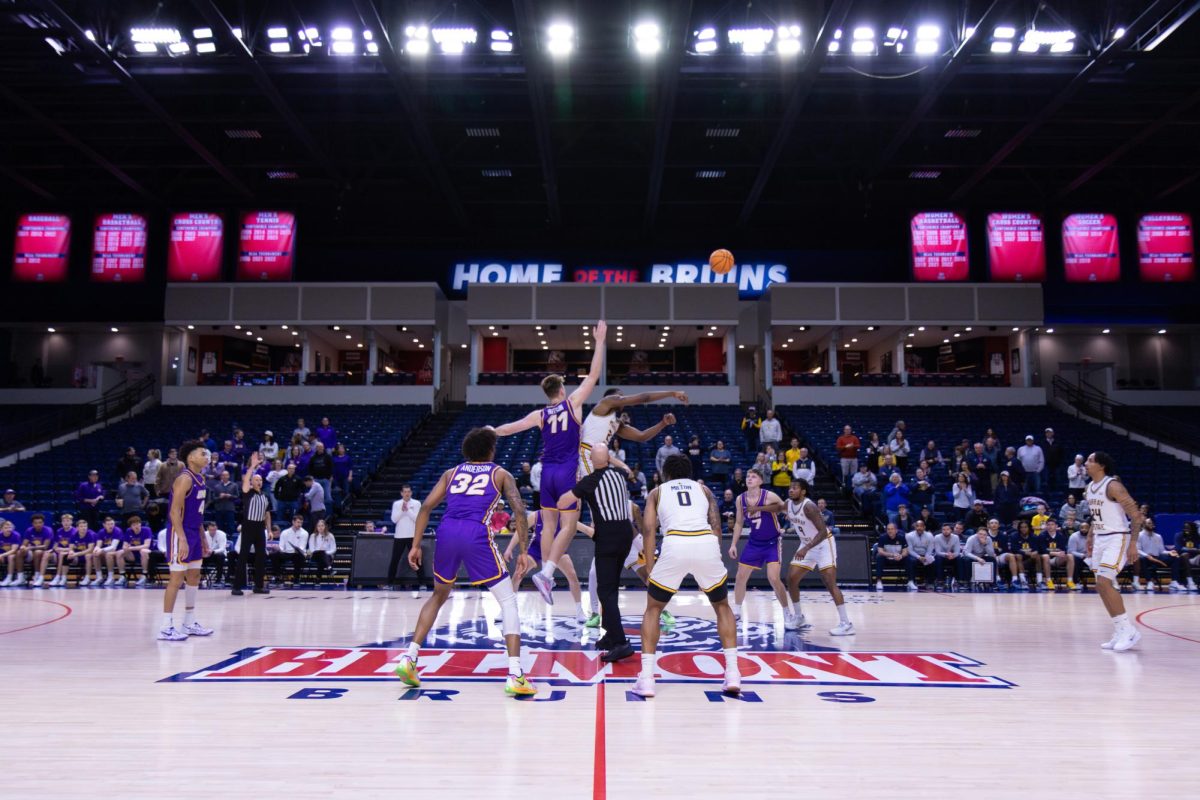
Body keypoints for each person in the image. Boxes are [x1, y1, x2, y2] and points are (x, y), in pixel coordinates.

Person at [393, 427, 538, 698]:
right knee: (507, 600)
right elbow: (519, 511)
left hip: (446, 532)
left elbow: (425, 507)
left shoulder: (451, 473)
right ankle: (516, 674)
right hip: (475, 532)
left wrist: (415, 545)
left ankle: (409, 658)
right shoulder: (500, 474)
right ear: (491, 450)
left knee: (438, 595)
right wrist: (523, 551)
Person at [489, 322, 606, 605]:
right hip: (566, 471)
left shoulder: (539, 414)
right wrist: (599, 340)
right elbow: (593, 374)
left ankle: (543, 572)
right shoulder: (573, 403)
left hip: (546, 473)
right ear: (562, 390)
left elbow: (509, 429)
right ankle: (548, 573)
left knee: (548, 522)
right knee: (570, 522)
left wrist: (491, 430)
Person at [633, 455, 740, 697]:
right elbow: (715, 525)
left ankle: (647, 678)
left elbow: (649, 529)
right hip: (705, 542)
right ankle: (733, 673)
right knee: (721, 606)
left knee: (654, 609)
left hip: (676, 542)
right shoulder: (703, 489)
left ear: (665, 473)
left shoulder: (657, 492)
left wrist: (649, 567)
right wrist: (714, 560)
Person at [555, 442, 640, 660]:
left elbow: (563, 501)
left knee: (606, 591)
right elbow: (628, 470)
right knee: (609, 587)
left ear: (592, 460)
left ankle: (620, 642)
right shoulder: (620, 475)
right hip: (626, 534)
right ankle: (611, 635)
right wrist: (610, 458)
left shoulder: (590, 481)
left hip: (608, 537)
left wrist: (565, 487)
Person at [1082, 452, 1144, 650]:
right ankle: (1119, 629)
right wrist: (1091, 535)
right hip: (1101, 538)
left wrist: (1133, 543)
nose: (1086, 463)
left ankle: (1129, 631)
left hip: (1117, 537)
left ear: (1101, 466)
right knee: (1101, 587)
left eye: (1090, 460)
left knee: (1104, 582)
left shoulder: (1113, 485)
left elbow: (1136, 515)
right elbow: (1097, 516)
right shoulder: (1089, 488)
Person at [158, 441, 214, 641]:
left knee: (194, 575)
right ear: (191, 458)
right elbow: (174, 511)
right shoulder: (184, 478)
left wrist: (202, 537)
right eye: (202, 454)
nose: (206, 457)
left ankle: (189, 621)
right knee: (176, 578)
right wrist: (181, 539)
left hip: (194, 531)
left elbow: (197, 513)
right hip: (178, 532)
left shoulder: (201, 478)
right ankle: (165, 626)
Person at [787, 477, 854, 634]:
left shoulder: (809, 506)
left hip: (823, 544)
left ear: (803, 491)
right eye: (790, 487)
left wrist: (806, 548)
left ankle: (846, 624)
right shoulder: (789, 504)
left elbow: (823, 532)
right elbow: (776, 507)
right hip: (806, 544)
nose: (791, 490)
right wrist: (758, 508)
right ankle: (799, 617)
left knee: (829, 582)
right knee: (791, 579)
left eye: (795, 488)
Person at [728, 471, 793, 625]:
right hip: (754, 542)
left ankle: (786, 612)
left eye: (754, 477)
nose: (749, 478)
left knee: (774, 578)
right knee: (740, 577)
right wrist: (733, 544)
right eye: (748, 476)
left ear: (761, 481)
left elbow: (784, 508)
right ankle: (737, 611)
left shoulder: (769, 495)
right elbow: (738, 523)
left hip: (772, 542)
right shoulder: (740, 499)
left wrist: (788, 517)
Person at [230, 452, 272, 596]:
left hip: (260, 528)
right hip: (248, 526)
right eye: (256, 479)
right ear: (252, 482)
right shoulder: (248, 492)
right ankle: (236, 587)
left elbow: (267, 514)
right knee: (243, 556)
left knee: (261, 557)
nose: (258, 481)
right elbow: (245, 481)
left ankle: (258, 586)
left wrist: (270, 530)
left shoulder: (265, 496)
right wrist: (252, 467)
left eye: (260, 479)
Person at [389, 485, 429, 594]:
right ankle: (389, 583)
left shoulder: (416, 503)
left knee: (417, 559)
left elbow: (417, 519)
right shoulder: (397, 504)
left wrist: (408, 511)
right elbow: (394, 519)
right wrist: (402, 511)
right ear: (401, 493)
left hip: (413, 536)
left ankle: (422, 583)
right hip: (399, 536)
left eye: (409, 491)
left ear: (411, 493)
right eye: (405, 492)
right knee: (394, 560)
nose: (407, 493)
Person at [1135, 519, 1173, 593]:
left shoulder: (1158, 536)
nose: (1151, 525)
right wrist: (1147, 556)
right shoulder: (1139, 535)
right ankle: (1149, 582)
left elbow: (1162, 551)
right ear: (1144, 525)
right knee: (1142, 559)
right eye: (1149, 523)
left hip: (1157, 558)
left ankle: (1175, 582)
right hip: (1146, 558)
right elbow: (1137, 550)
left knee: (1175, 558)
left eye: (1152, 523)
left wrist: (1169, 552)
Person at [1008, 520, 1045, 590]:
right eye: (1021, 527)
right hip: (1017, 562)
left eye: (1025, 527)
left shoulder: (1034, 537)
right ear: (1019, 528)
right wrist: (1026, 553)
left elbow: (1037, 548)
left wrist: (1035, 552)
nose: (1023, 529)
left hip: (1030, 560)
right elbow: (1013, 549)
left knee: (1037, 556)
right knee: (1018, 555)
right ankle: (1023, 581)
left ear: (1029, 528)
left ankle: (1039, 581)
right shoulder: (1014, 536)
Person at [274, 516, 309, 587]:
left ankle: (296, 578)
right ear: (293, 522)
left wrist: (298, 550)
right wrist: (278, 548)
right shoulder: (285, 532)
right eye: (298, 522)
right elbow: (281, 546)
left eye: (301, 523)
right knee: (274, 555)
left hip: (297, 553)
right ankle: (278, 576)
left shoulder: (305, 533)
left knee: (299, 556)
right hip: (286, 552)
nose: (299, 524)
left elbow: (302, 546)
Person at [21, 514, 53, 587]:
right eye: (36, 523)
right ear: (33, 524)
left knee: (38, 552)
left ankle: (37, 575)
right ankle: (20, 576)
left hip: (49, 553)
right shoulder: (29, 530)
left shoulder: (48, 530)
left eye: (40, 522)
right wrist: (23, 547)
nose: (38, 524)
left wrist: (30, 547)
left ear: (43, 523)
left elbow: (45, 547)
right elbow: (25, 543)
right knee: (20, 552)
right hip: (33, 552)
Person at [873, 522, 907, 591]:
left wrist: (901, 556)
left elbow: (905, 551)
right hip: (887, 559)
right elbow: (880, 551)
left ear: (896, 530)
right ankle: (879, 581)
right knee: (879, 557)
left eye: (892, 529)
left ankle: (911, 581)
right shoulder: (882, 537)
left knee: (909, 559)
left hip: (898, 559)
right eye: (888, 529)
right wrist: (892, 555)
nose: (890, 531)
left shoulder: (902, 537)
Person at [120, 516, 154, 587]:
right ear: (131, 526)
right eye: (134, 525)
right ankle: (122, 576)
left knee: (143, 551)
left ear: (140, 524)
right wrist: (126, 548)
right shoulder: (128, 531)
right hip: (133, 555)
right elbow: (124, 545)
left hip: (147, 554)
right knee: (119, 553)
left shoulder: (147, 530)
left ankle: (144, 575)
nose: (137, 526)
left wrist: (131, 548)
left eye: (138, 524)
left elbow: (146, 545)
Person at [929, 522, 962, 591]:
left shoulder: (956, 537)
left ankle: (959, 580)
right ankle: (940, 581)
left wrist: (953, 555)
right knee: (937, 558)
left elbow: (957, 551)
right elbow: (937, 552)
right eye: (943, 529)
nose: (945, 531)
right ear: (941, 530)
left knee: (959, 558)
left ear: (951, 530)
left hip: (952, 557)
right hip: (942, 556)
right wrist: (946, 554)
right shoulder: (937, 537)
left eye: (947, 529)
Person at [1040, 518, 1071, 590]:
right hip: (1045, 560)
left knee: (1070, 556)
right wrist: (1055, 553)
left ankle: (1070, 581)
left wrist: (1062, 553)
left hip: (1057, 560)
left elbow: (1064, 549)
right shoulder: (1042, 536)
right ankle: (1048, 580)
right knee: (1045, 556)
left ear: (1056, 526)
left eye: (1052, 525)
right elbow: (1043, 550)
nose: (1050, 526)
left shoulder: (1060, 536)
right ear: (1046, 526)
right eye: (1048, 525)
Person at [93, 516, 125, 586]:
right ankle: (99, 577)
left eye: (112, 524)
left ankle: (111, 577)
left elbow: (113, 547)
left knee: (109, 554)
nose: (110, 526)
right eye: (108, 524)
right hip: (105, 551)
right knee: (95, 555)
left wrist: (101, 550)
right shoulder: (101, 532)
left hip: (117, 552)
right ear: (104, 525)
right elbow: (98, 544)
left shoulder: (117, 531)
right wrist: (96, 550)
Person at [1168, 520, 1199, 592]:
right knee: (1185, 554)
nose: (1186, 530)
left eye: (1188, 528)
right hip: (1181, 559)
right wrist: (1194, 550)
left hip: (1194, 558)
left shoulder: (1196, 537)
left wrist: (1195, 550)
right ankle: (1190, 581)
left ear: (1192, 529)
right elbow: (1179, 549)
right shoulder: (1178, 535)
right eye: (1185, 528)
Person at [905, 519, 935, 591]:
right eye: (917, 526)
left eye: (921, 526)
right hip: (914, 555)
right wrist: (919, 557)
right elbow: (910, 550)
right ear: (915, 527)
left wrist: (926, 557)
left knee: (932, 560)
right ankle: (912, 581)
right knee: (911, 560)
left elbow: (930, 548)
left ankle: (930, 582)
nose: (919, 528)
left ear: (924, 527)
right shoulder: (909, 535)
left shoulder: (930, 535)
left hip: (925, 554)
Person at [208, 470, 239, 539]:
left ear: (229, 476)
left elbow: (237, 497)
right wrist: (220, 497)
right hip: (219, 509)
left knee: (230, 526)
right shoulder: (216, 486)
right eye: (223, 475)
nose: (225, 476)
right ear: (221, 476)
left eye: (226, 475)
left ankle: (230, 540)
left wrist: (230, 496)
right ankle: (219, 540)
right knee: (219, 526)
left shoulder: (234, 485)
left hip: (230, 509)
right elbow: (213, 499)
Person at [308, 519, 337, 584]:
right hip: (315, 555)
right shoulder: (313, 536)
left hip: (327, 556)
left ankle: (318, 579)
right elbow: (311, 549)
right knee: (321, 554)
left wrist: (326, 552)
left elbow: (334, 548)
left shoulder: (330, 535)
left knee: (322, 557)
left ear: (325, 526)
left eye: (322, 526)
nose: (320, 527)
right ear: (316, 527)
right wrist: (320, 551)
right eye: (319, 526)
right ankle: (329, 568)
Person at [0, 520, 23, 586]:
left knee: (11, 557)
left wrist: (2, 555)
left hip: (14, 556)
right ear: (1, 529)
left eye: (10, 527)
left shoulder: (16, 535)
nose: (8, 529)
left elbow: (14, 550)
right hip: (2, 556)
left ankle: (9, 578)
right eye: (6, 528)